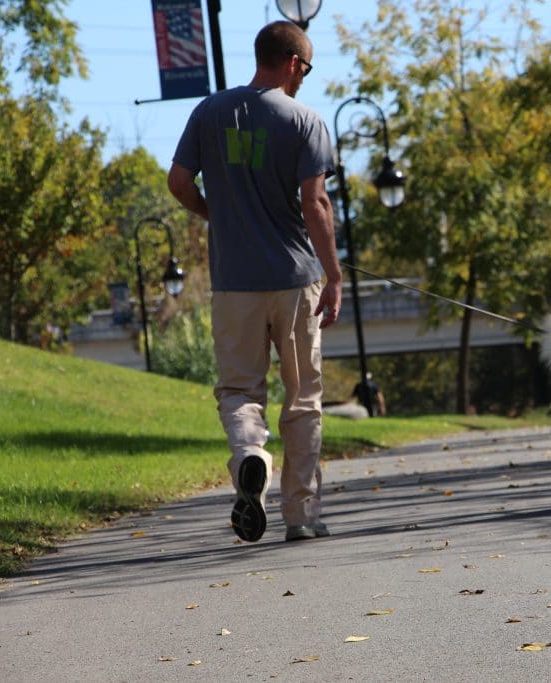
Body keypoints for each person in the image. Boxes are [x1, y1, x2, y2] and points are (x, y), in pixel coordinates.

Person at [167, 21, 342, 544]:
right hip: (295, 280)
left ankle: (249, 457)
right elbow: (315, 204)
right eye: (306, 68)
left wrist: (216, 215)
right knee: (303, 398)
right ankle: (302, 516)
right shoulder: (306, 121)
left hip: (234, 284)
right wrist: (333, 275)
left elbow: (178, 183)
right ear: (292, 62)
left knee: (241, 390)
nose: (305, 78)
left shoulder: (209, 111)